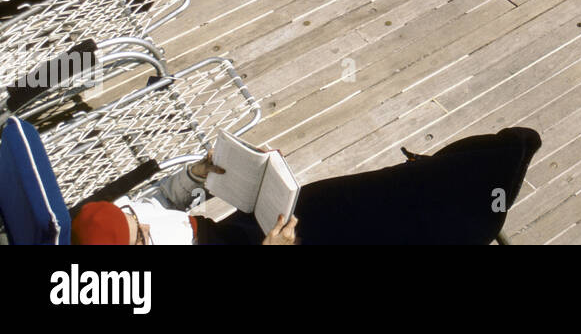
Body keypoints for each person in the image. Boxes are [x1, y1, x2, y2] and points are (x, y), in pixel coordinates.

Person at [69, 127, 541, 245]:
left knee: (332, 198)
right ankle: (472, 211)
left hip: (245, 229)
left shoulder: (128, 216)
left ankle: (476, 168)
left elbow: (164, 200)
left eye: (134, 219)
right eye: (142, 237)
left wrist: (197, 177)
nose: (143, 224)